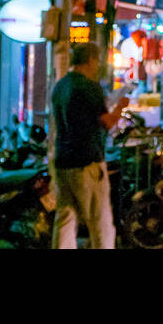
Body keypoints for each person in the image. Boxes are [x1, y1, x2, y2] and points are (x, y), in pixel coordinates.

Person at [51, 42, 128, 249]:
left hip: (63, 161)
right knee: (100, 221)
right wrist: (120, 107)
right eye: (98, 61)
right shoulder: (89, 86)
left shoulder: (60, 86)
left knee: (65, 218)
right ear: (92, 60)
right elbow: (107, 122)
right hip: (87, 162)